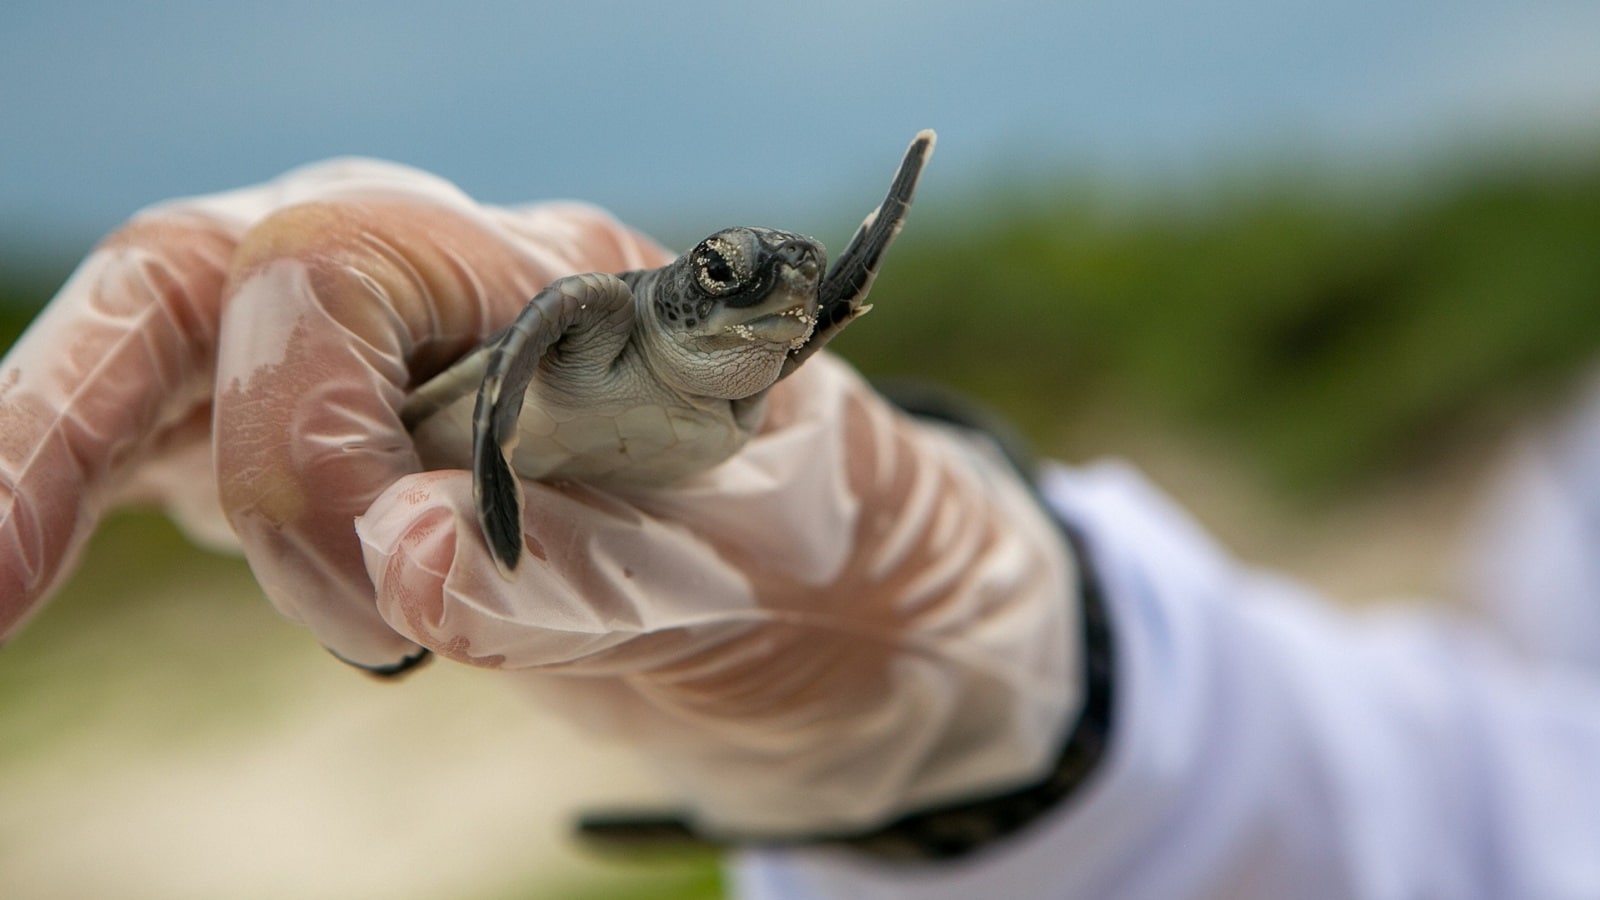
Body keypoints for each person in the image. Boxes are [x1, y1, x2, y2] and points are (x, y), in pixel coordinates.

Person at [1, 159, 1597, 900]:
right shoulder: (598, 314)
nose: (759, 297)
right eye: (723, 276)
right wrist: (1066, 704)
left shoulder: (776, 346)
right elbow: (1496, 801)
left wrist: (960, 650)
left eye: (790, 292)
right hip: (518, 428)